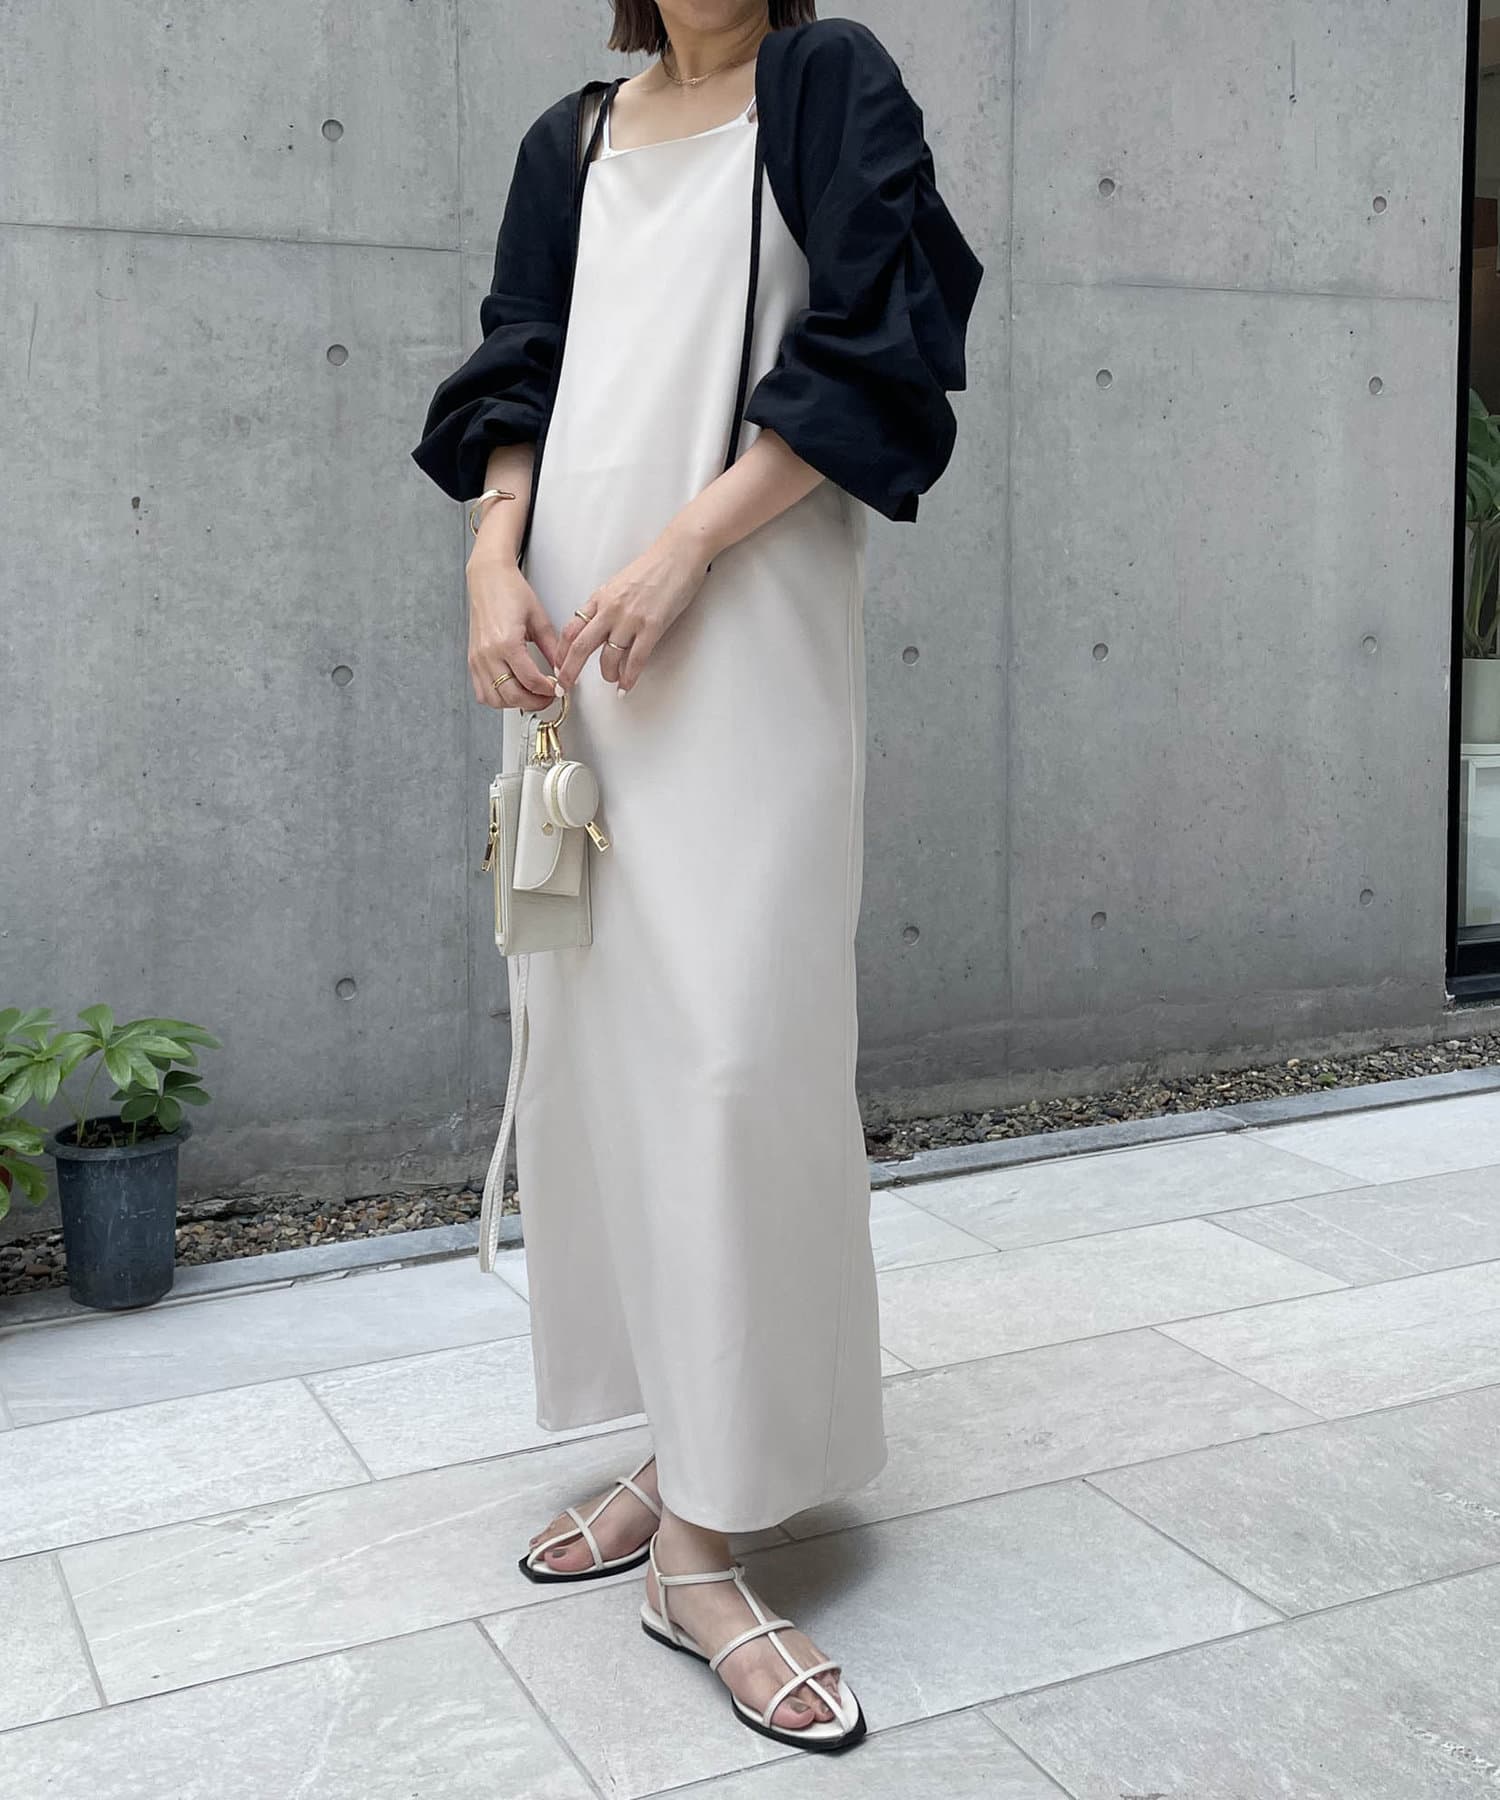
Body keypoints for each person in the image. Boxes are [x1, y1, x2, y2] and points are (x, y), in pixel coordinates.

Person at [411, 0, 982, 1755]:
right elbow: (523, 353)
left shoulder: (825, 80)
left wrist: (683, 547)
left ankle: (708, 1553)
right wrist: (493, 560)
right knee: (605, 1055)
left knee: (739, 1056)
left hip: (741, 609)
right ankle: (685, 1450)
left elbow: (880, 345)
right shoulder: (572, 137)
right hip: (575, 632)